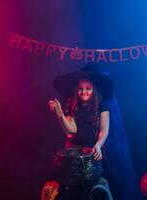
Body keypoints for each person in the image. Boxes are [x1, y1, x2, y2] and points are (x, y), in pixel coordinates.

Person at [42, 65, 114, 200]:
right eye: (80, 88)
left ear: (94, 89)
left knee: (97, 189)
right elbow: (70, 130)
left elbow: (104, 129)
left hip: (93, 152)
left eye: (88, 88)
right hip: (72, 154)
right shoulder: (71, 104)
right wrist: (59, 113)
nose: (84, 92)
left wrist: (98, 145)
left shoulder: (102, 104)